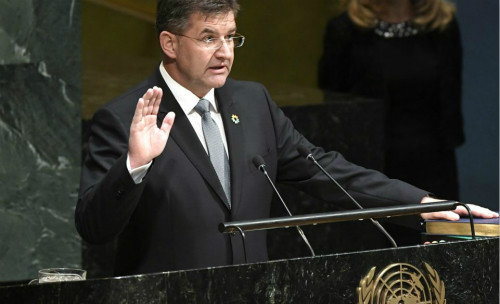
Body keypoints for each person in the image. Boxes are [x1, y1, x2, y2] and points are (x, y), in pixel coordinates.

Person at [76, 0, 497, 277]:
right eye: (209, 38)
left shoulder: (253, 102)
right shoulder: (125, 117)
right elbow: (94, 228)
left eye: (231, 36)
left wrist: (426, 206)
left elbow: (329, 173)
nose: (225, 52)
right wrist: (134, 166)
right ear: (169, 42)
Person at [318, 0, 463, 200]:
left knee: (441, 225)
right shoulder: (344, 29)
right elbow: (333, 107)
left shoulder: (441, 25)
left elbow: (451, 96)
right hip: (369, 165)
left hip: (433, 160)